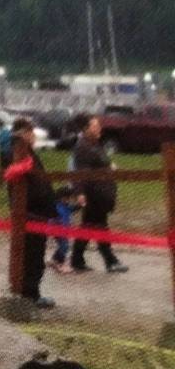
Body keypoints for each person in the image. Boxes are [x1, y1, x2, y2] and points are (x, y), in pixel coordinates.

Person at [3, 117, 56, 308]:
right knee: (32, 256)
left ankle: (30, 292)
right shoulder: (17, 152)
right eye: (30, 132)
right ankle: (30, 294)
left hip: (38, 212)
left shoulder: (28, 153)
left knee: (35, 255)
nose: (33, 135)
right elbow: (18, 178)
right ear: (22, 134)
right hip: (29, 213)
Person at [70, 114, 128, 273]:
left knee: (89, 227)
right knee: (100, 227)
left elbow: (101, 163)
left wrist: (110, 167)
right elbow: (81, 172)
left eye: (98, 126)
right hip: (94, 193)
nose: (99, 129)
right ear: (86, 129)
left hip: (102, 193)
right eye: (95, 126)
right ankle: (110, 261)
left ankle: (77, 259)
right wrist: (80, 192)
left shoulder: (95, 144)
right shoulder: (83, 147)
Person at [48, 183, 83, 274]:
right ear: (61, 197)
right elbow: (53, 219)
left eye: (69, 198)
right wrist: (57, 226)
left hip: (63, 230)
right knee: (64, 246)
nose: (68, 200)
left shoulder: (65, 206)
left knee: (64, 246)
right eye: (67, 198)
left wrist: (80, 205)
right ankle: (60, 263)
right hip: (58, 229)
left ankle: (55, 259)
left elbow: (73, 208)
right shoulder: (57, 206)